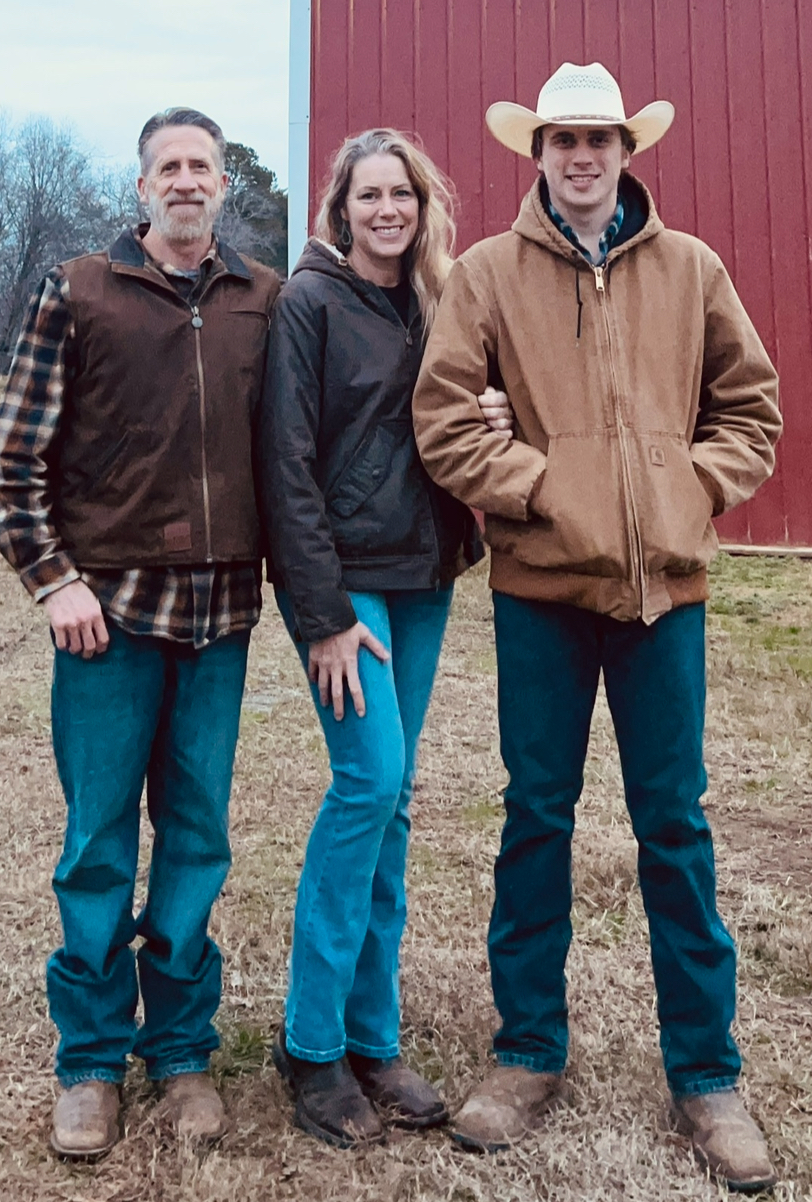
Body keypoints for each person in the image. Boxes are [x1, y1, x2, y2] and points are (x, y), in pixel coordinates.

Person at [412, 62, 784, 1192]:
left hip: (665, 596)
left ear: (628, 152)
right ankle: (527, 1051)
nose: (581, 158)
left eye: (599, 140)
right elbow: (445, 421)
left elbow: (751, 410)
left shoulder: (692, 268)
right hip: (540, 596)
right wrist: (541, 488)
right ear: (537, 153)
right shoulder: (484, 276)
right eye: (563, 140)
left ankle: (706, 1074)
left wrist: (687, 488)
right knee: (537, 817)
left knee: (675, 825)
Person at [0, 107, 279, 1158]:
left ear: (223, 186)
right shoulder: (79, 291)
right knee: (99, 842)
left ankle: (183, 1050)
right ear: (142, 186)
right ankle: (92, 1059)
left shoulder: (263, 299)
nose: (187, 180)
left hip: (221, 617)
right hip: (105, 621)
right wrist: (53, 580)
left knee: (197, 837)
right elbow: (12, 460)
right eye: (169, 166)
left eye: (203, 165)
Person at [258, 129, 505, 1147]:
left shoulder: (440, 301)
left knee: (393, 800)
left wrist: (496, 414)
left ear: (422, 203)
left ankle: (373, 1036)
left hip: (423, 575)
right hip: (346, 585)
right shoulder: (310, 304)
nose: (387, 210)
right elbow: (285, 464)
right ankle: (311, 1045)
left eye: (401, 193)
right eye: (368, 195)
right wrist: (322, 617)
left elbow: (463, 418)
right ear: (341, 209)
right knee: (366, 783)